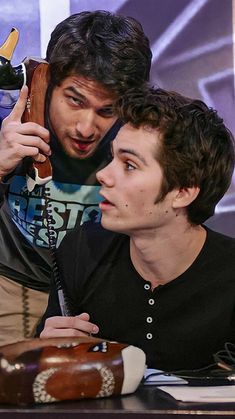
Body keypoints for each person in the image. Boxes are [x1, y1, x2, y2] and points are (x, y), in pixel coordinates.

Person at [39, 86, 235, 372]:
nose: (104, 175)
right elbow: (49, 367)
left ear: (182, 192)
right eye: (112, 158)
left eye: (129, 165)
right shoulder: (81, 249)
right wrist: (46, 352)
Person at [0, 11, 152, 345]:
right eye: (74, 100)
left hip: (97, 291)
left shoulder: (141, 139)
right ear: (46, 81)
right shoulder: (6, 116)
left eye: (106, 110)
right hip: (10, 285)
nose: (86, 128)